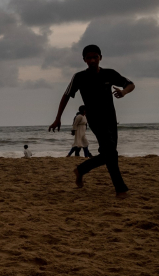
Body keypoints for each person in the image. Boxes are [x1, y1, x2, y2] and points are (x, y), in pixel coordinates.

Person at [50, 44, 135, 198]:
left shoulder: (109, 73)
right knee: (111, 153)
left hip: (111, 119)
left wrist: (123, 92)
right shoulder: (79, 77)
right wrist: (58, 118)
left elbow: (130, 84)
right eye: (88, 58)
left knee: (109, 154)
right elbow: (66, 95)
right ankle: (120, 190)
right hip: (95, 120)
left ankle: (81, 169)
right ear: (84, 60)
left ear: (100, 58)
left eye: (95, 57)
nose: (92, 60)